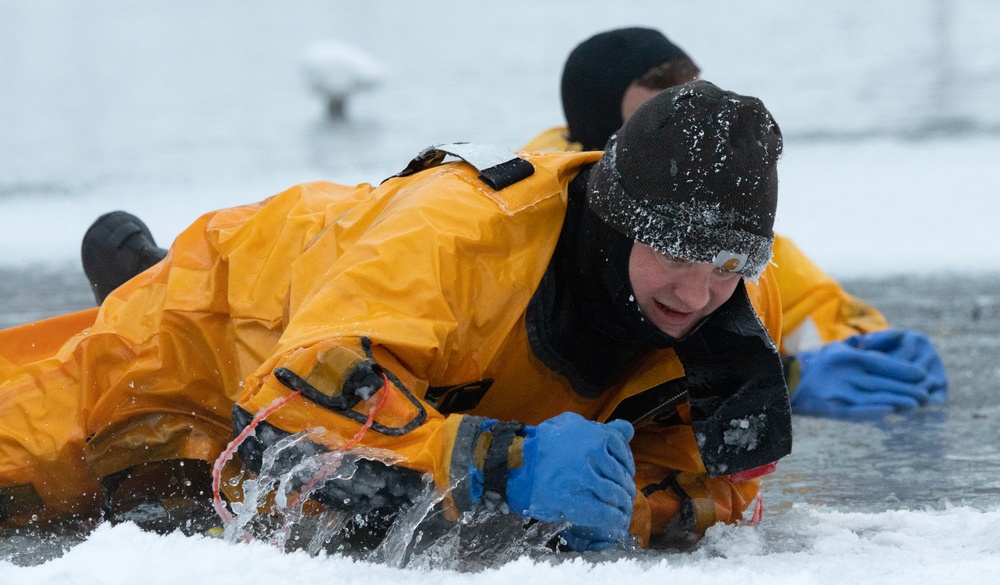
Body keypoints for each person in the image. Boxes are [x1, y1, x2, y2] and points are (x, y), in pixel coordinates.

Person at [1, 81, 790, 551]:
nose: (698, 293)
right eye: (676, 256)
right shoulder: (458, 241)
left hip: (381, 345)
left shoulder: (733, 307)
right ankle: (139, 277)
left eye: (727, 267)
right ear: (616, 224)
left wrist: (631, 511)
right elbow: (288, 410)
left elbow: (717, 486)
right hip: (214, 321)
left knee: (193, 511)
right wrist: (502, 462)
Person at [522, 27, 948, 419]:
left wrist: (860, 342)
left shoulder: (712, 217)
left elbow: (800, 300)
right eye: (660, 123)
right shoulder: (526, 224)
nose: (688, 140)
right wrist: (773, 376)